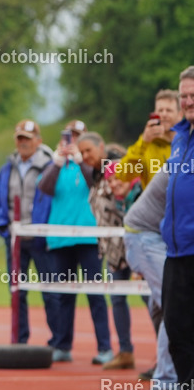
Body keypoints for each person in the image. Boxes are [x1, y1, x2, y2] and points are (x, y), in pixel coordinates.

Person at [37, 128, 112, 363]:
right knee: (63, 296)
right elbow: (45, 188)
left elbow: (95, 182)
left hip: (89, 238)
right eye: (69, 138)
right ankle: (62, 344)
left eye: (78, 138)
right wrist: (58, 162)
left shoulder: (92, 165)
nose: (73, 143)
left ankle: (104, 348)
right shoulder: (57, 166)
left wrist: (81, 161)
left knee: (95, 294)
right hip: (61, 238)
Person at [0, 119, 57, 346]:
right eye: (20, 139)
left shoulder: (50, 166)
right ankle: (19, 339)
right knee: (17, 292)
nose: (23, 143)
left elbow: (53, 201)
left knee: (50, 291)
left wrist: (44, 228)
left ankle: (58, 341)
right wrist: (4, 228)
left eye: (27, 139)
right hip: (15, 240)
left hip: (41, 239)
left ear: (38, 140)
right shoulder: (8, 168)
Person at [154, 65, 194, 390]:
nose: (188, 101)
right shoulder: (179, 137)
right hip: (176, 250)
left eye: (193, 95)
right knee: (177, 325)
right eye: (184, 95)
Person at [78, 134, 133, 370]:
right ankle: (125, 352)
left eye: (88, 151)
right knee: (117, 299)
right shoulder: (95, 174)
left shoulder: (119, 167)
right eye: (81, 153)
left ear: (101, 146)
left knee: (152, 299)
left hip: (132, 243)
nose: (84, 156)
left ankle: (169, 358)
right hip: (112, 249)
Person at [122, 169, 176, 390]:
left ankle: (172, 374)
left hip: (155, 235)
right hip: (145, 235)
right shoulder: (185, 159)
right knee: (174, 306)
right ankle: (165, 381)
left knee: (167, 304)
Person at [117, 89, 181, 189]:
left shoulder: (188, 143)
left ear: (180, 114)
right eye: (160, 110)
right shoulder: (146, 145)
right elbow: (123, 174)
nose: (164, 114)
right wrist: (144, 141)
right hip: (155, 204)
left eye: (169, 110)